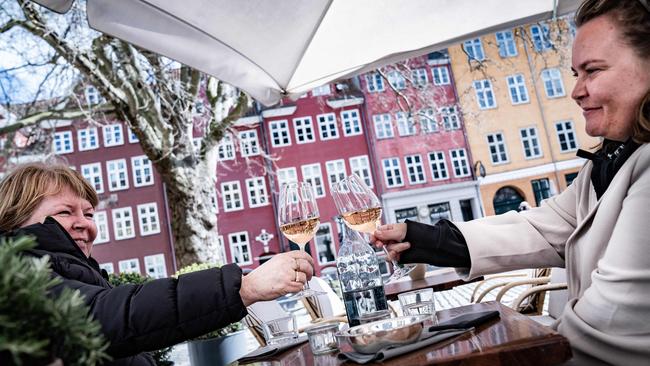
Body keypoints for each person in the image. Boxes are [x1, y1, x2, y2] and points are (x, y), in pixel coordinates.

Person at [372, 0, 650, 364]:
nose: (576, 91)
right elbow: (543, 227)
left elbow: (606, 325)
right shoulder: (617, 155)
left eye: (592, 71)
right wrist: (426, 239)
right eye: (575, 74)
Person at [0, 162, 314, 365]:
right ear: (15, 220)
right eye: (66, 212)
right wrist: (245, 287)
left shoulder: (72, 272)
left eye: (89, 214)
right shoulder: (19, 278)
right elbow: (108, 315)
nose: (85, 224)